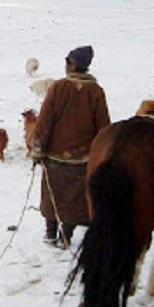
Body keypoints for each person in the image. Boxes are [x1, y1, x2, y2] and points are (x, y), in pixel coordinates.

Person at [32, 46, 111, 246]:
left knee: (51, 194)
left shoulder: (58, 88)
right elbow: (103, 127)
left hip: (55, 156)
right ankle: (65, 236)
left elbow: (44, 121)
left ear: (73, 64)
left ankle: (50, 233)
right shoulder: (96, 92)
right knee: (74, 200)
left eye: (67, 61)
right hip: (82, 159)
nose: (65, 65)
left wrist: (38, 149)